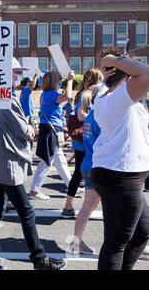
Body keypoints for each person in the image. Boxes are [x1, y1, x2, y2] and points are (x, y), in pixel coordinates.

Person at [0, 60, 67, 270]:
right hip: (8, 162)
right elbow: (22, 129)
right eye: (15, 71)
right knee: (26, 211)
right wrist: (30, 129)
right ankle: (39, 259)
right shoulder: (5, 96)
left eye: (19, 72)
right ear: (4, 72)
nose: (18, 75)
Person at [91, 50, 149, 270]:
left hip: (118, 175)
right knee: (116, 244)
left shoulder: (106, 92)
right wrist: (116, 61)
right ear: (126, 75)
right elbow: (147, 74)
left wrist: (114, 67)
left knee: (142, 231)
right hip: (122, 178)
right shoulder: (118, 97)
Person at [61, 69, 103, 218]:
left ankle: (71, 206)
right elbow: (81, 115)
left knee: (80, 173)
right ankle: (71, 207)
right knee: (82, 173)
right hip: (86, 140)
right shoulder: (88, 95)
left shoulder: (85, 93)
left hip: (84, 140)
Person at [66, 86, 103, 255]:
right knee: (115, 209)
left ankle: (76, 243)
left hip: (88, 163)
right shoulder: (102, 117)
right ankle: (123, 246)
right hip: (100, 166)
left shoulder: (90, 117)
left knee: (87, 207)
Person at [29, 71, 75, 200]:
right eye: (59, 80)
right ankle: (34, 190)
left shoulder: (46, 94)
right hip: (51, 130)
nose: (60, 81)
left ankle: (72, 186)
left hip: (49, 129)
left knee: (60, 161)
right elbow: (68, 96)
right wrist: (70, 80)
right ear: (54, 82)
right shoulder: (52, 95)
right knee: (46, 160)